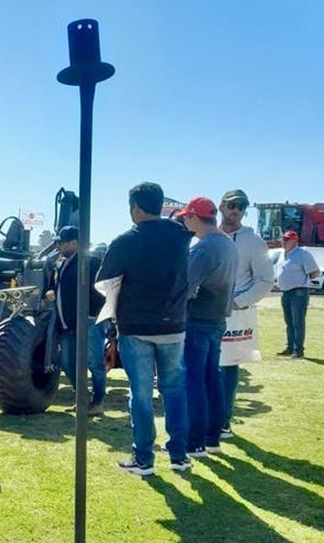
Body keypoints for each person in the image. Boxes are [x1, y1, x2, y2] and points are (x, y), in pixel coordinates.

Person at [97, 182, 192, 476]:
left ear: (135, 208)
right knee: (174, 389)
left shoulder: (125, 241)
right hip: (174, 324)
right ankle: (179, 454)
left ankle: (143, 458)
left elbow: (104, 282)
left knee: (140, 393)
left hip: (136, 326)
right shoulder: (180, 236)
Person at [177, 197, 238, 457]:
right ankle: (212, 436)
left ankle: (195, 441)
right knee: (212, 377)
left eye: (185, 218)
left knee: (194, 380)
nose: (184, 222)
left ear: (193, 217)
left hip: (198, 321)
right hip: (217, 320)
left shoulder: (203, 248)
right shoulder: (227, 243)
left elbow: (185, 287)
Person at [217, 189, 274, 438]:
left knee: (228, 367)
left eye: (241, 206)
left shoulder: (254, 241)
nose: (236, 210)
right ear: (221, 206)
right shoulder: (208, 236)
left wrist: (239, 302)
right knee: (202, 365)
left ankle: (222, 422)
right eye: (232, 205)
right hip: (204, 313)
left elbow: (265, 280)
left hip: (235, 314)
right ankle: (204, 419)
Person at [46, 225, 107, 416]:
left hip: (88, 322)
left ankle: (98, 402)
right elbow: (56, 286)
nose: (58, 246)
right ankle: (82, 397)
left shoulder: (91, 262)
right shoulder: (62, 263)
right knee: (66, 361)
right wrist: (50, 292)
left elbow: (101, 291)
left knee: (94, 362)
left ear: (74, 243)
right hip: (68, 324)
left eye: (61, 242)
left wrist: (92, 313)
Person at [276, 231, 319, 358]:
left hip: (299, 292)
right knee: (289, 321)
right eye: (283, 239)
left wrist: (303, 280)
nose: (283, 241)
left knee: (298, 322)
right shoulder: (282, 254)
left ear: (295, 241)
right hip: (285, 292)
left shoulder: (303, 254)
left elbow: (314, 272)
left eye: (287, 239)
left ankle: (298, 350)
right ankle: (290, 347)